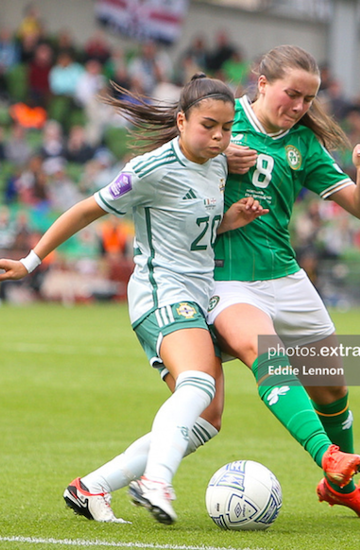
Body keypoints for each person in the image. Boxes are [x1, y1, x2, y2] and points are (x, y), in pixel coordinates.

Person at [0, 74, 274, 524]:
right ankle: (156, 482)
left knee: (206, 420)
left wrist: (231, 219)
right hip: (160, 292)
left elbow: (192, 230)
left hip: (198, 294)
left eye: (227, 128)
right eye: (210, 126)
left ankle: (91, 488)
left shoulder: (219, 163)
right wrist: (31, 262)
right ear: (182, 121)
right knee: (198, 384)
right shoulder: (150, 169)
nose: (220, 137)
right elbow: (87, 209)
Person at [207, 45, 360, 518]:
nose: (299, 107)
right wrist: (213, 152)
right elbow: (176, 151)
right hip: (226, 279)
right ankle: (329, 459)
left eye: (309, 100)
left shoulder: (304, 146)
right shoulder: (223, 123)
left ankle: (344, 487)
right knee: (266, 356)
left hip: (286, 277)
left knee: (330, 387)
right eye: (292, 94)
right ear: (262, 83)